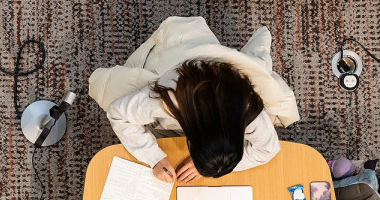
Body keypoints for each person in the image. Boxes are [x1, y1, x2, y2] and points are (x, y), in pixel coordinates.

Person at [106, 59, 279, 182]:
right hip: (185, 69)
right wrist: (154, 157)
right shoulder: (170, 100)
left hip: (223, 76)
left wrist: (209, 164)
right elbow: (118, 113)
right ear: (192, 142)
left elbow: (268, 149)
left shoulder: (248, 112)